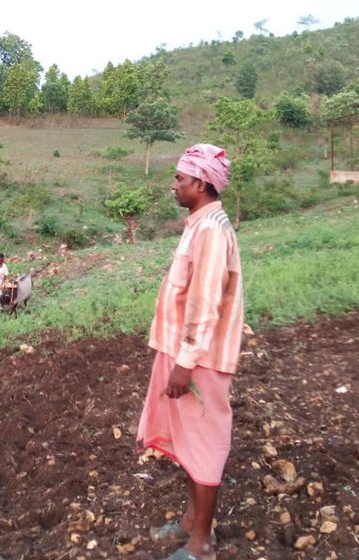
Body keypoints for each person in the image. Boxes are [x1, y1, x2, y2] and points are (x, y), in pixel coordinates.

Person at [136, 144, 244, 560]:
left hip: (198, 358)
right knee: (188, 440)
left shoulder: (213, 231)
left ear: (201, 183)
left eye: (180, 179)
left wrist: (184, 363)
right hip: (182, 350)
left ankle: (201, 545)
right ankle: (187, 524)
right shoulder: (199, 224)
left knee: (204, 443)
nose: (174, 185)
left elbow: (204, 303)